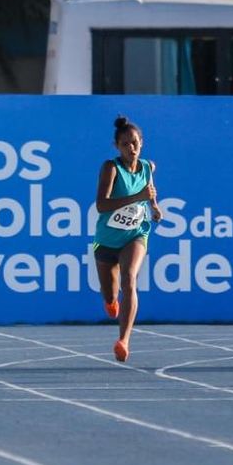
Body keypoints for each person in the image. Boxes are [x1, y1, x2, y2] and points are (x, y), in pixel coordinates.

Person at [93, 115, 162, 362]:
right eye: (125, 144)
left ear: (141, 142)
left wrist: (154, 206)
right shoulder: (111, 168)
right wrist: (138, 197)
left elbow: (150, 187)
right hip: (106, 240)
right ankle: (111, 302)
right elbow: (101, 205)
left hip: (136, 233)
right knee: (110, 295)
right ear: (117, 147)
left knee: (129, 279)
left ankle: (124, 340)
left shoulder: (147, 166)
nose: (131, 148)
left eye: (134, 143)